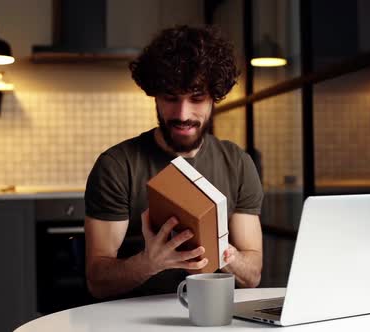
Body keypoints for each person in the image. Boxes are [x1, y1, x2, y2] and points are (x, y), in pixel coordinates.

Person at [83, 25, 264, 300]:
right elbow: (97, 280)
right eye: (170, 98)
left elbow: (252, 275)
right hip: (131, 321)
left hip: (212, 314)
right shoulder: (117, 166)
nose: (183, 114)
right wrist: (148, 263)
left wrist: (224, 250)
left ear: (214, 97)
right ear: (154, 95)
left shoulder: (238, 163)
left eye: (197, 98)